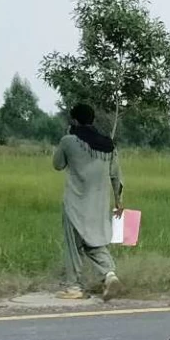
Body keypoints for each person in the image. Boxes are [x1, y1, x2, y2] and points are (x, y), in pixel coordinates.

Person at [52, 103, 125, 301]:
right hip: (99, 204)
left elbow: (57, 164)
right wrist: (118, 201)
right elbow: (116, 176)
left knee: (74, 246)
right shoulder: (108, 144)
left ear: (74, 120)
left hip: (75, 202)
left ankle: (74, 287)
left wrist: (67, 136)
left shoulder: (68, 141)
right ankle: (109, 275)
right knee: (95, 242)